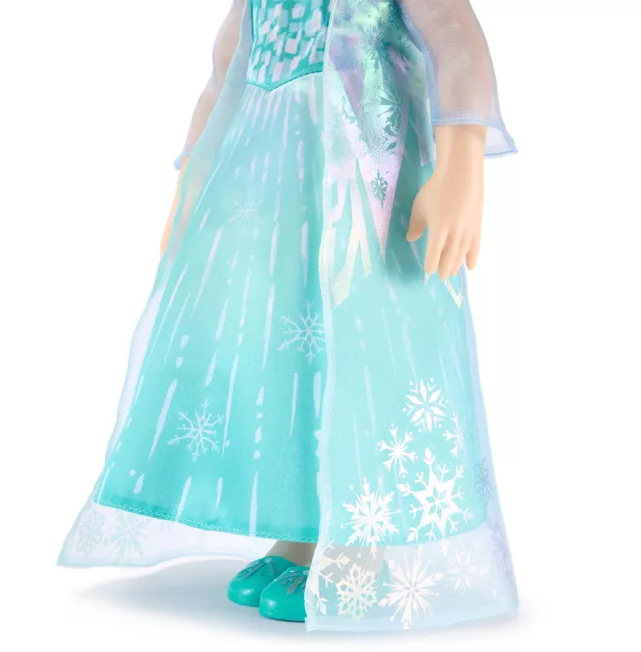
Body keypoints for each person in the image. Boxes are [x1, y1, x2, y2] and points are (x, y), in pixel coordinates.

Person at [59, 0, 518, 632]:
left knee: (361, 349)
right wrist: (193, 178)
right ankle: (301, 534)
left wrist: (462, 160)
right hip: (267, 191)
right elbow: (225, 73)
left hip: (364, 186)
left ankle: (362, 538)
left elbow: (456, 39)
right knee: (282, 359)